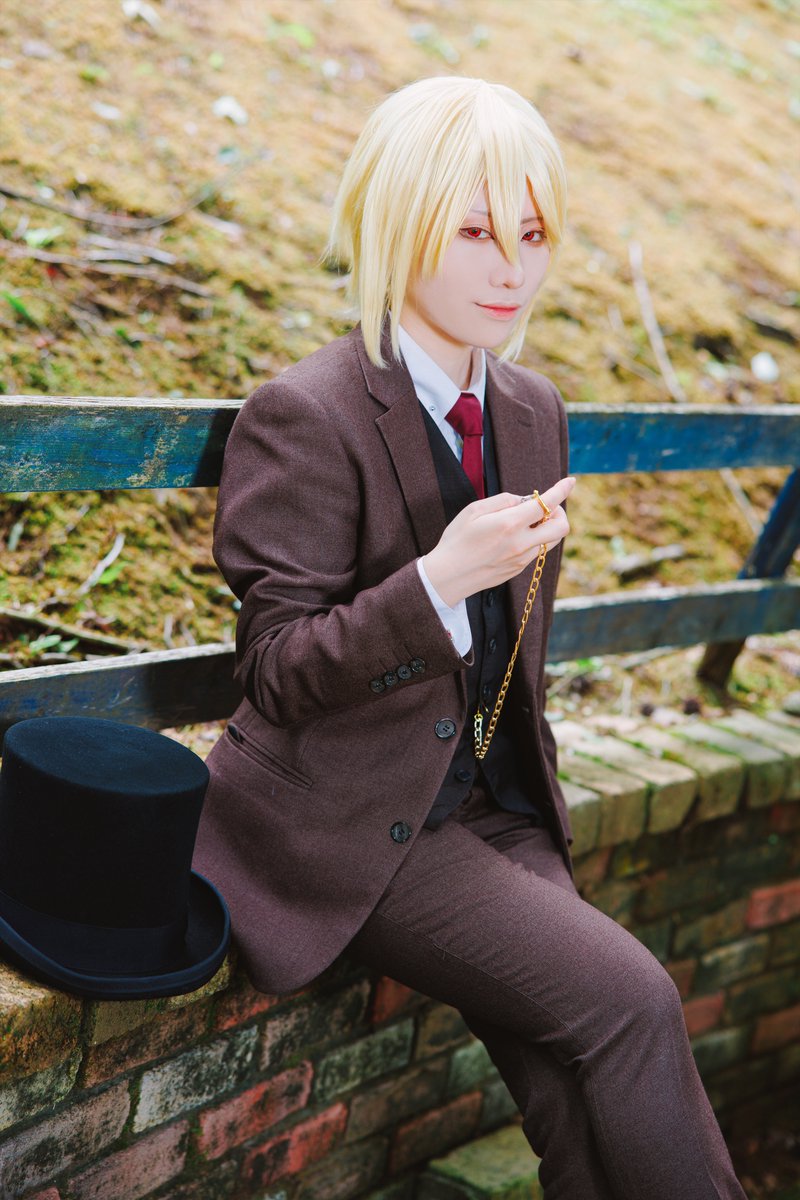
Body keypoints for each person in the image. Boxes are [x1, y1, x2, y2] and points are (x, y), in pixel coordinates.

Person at [194, 76, 746, 1199]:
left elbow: (512, 663)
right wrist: (438, 581)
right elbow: (276, 673)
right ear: (400, 226)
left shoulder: (532, 411)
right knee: (633, 1002)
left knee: (576, 1081)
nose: (513, 269)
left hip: (496, 808)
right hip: (356, 825)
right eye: (477, 232)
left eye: (533, 235)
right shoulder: (309, 412)